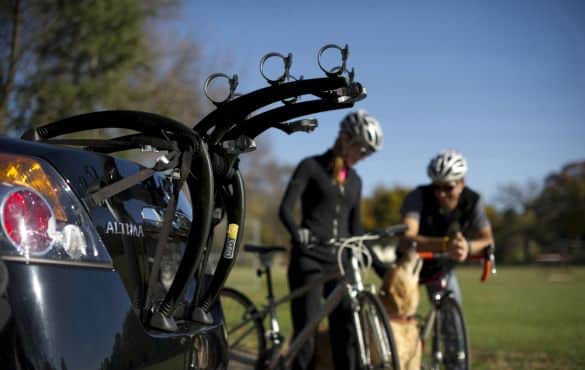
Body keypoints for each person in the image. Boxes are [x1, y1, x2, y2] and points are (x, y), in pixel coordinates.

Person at [279, 110, 383, 370]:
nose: (363, 156)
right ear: (346, 138)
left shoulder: (356, 181)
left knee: (348, 332)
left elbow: (357, 231)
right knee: (308, 336)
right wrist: (297, 233)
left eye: (369, 153)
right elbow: (285, 209)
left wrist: (384, 269)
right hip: (309, 260)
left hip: (339, 264)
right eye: (362, 148)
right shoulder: (310, 167)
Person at [399, 149, 494, 304]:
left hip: (442, 267)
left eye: (448, 187)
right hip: (410, 262)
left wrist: (467, 247)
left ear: (462, 182)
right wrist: (445, 244)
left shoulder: (473, 201)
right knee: (400, 314)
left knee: (450, 311)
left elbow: (488, 240)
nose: (441, 194)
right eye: (436, 187)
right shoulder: (418, 197)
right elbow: (406, 239)